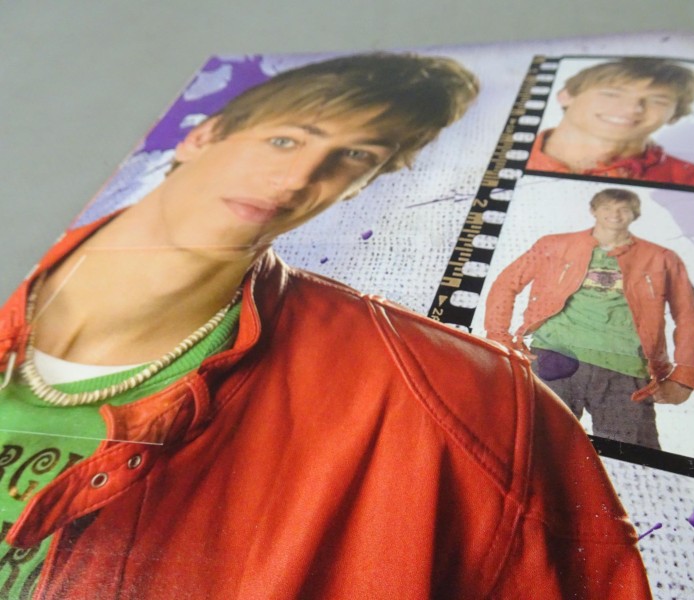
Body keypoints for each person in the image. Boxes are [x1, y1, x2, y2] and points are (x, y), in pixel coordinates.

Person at [0, 54, 650, 598]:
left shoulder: (463, 401)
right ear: (204, 135)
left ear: (362, 184)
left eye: (352, 156)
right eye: (286, 139)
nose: (298, 177)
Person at [485, 188, 694, 450]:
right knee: (531, 449)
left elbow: (689, 316)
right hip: (554, 357)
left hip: (625, 369)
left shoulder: (661, 258)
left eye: (623, 209)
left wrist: (685, 377)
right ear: (594, 211)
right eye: (607, 208)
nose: (615, 215)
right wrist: (499, 337)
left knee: (635, 462)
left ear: (635, 214)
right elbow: (507, 283)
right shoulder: (553, 245)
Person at [526, 57, 694, 190]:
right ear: (566, 96)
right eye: (612, 94)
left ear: (675, 115)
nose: (633, 108)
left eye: (658, 100)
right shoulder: (509, 152)